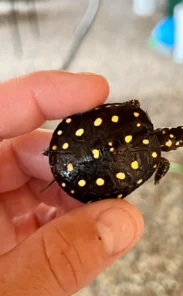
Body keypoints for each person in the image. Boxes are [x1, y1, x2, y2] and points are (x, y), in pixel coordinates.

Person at [0, 70, 144, 295]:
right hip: (71, 157)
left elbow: (124, 110)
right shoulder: (153, 158)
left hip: (67, 148)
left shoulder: (139, 120)